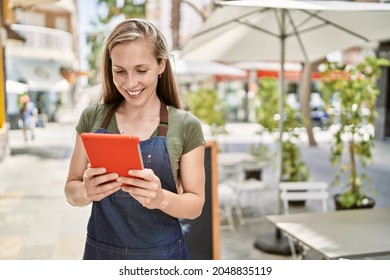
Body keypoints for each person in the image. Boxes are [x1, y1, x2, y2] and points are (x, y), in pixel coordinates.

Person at [65, 18, 205, 260]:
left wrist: (160, 198)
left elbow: (195, 205)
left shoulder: (185, 125)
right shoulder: (92, 118)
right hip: (101, 255)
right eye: (119, 71)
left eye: (141, 70)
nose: (130, 83)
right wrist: (86, 192)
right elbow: (71, 189)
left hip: (163, 257)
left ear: (161, 65)